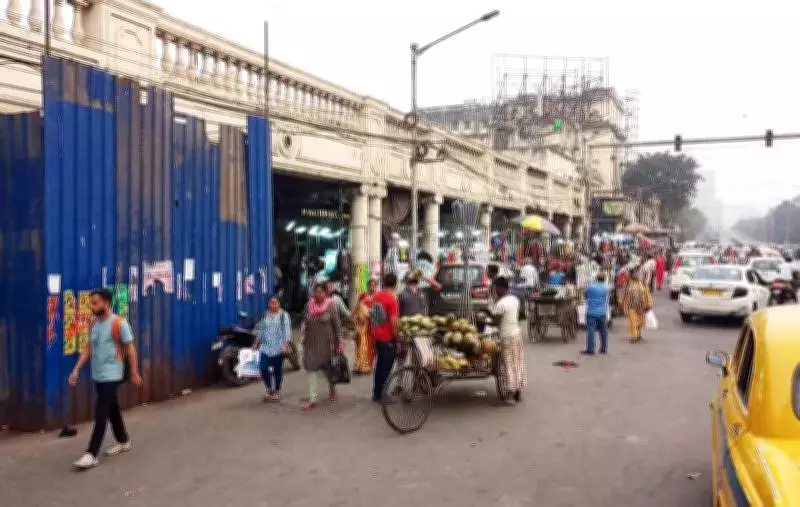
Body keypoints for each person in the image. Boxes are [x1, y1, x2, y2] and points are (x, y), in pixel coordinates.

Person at [68, 288, 142, 469]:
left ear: (106, 303)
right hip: (98, 374)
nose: (92, 306)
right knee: (112, 408)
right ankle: (124, 440)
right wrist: (76, 369)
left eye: (96, 303)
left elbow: (130, 350)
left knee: (101, 412)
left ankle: (91, 454)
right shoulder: (94, 324)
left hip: (112, 374)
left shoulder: (119, 323)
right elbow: (88, 348)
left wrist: (134, 372)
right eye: (91, 303)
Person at [300, 283, 343, 410]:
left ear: (325, 293)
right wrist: (303, 327)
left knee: (328, 368)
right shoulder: (309, 305)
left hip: (326, 343)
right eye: (316, 292)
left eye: (321, 292)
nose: (318, 294)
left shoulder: (331, 306)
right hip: (311, 342)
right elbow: (305, 320)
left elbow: (337, 325)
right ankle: (313, 398)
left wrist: (339, 341)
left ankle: (332, 387)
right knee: (311, 368)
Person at [489, 277, 526, 405]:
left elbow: (495, 322)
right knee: (518, 363)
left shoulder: (500, 304)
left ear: (500, 288)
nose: (494, 291)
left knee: (508, 365)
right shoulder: (514, 299)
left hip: (507, 337)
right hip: (517, 334)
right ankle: (518, 392)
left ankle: (510, 395)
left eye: (494, 288)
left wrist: (485, 317)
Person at [252, 295, 292, 402]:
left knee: (277, 370)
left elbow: (287, 331)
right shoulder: (265, 314)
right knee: (263, 368)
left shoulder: (284, 315)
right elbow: (261, 330)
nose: (273, 305)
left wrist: (285, 345)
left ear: (279, 304)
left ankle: (277, 391)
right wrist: (256, 343)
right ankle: (269, 388)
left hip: (279, 348)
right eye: (271, 302)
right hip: (265, 347)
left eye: (275, 302)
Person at [370, 273, 400, 402]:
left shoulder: (376, 296)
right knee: (386, 367)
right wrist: (397, 339)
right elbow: (394, 322)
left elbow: (373, 316)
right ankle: (382, 394)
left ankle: (376, 393)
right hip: (388, 338)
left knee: (379, 365)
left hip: (377, 336)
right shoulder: (392, 299)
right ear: (395, 284)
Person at [352, 278, 378, 374]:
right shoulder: (363, 295)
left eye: (374, 285)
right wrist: (352, 316)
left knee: (370, 345)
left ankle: (368, 365)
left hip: (372, 325)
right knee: (360, 344)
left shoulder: (377, 297)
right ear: (368, 286)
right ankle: (359, 365)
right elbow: (357, 307)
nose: (372, 287)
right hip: (361, 325)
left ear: (376, 286)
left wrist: (371, 314)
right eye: (370, 285)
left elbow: (379, 312)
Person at [621, 268, 653, 344]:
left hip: (641, 305)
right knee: (633, 321)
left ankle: (638, 334)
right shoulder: (628, 283)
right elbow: (624, 294)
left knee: (640, 321)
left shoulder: (642, 283)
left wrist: (649, 303)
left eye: (637, 273)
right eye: (634, 273)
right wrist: (622, 303)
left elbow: (647, 293)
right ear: (631, 275)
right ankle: (634, 336)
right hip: (631, 305)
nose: (636, 275)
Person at [581, 273, 610, 355]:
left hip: (591, 311)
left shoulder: (590, 286)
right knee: (603, 331)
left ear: (596, 279)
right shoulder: (606, 288)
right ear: (604, 279)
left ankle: (590, 349)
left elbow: (585, 295)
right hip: (602, 312)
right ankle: (603, 348)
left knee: (591, 330)